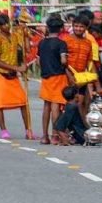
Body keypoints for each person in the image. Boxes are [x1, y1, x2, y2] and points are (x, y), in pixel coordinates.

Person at [0, 13, 32, 140]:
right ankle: (3, 130)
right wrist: (16, 68)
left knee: (23, 102)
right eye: (3, 25)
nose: (7, 26)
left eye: (7, 23)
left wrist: (25, 35)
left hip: (13, 75)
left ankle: (28, 130)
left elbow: (24, 51)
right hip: (0, 74)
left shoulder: (15, 36)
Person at [37, 16, 68, 145]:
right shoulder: (61, 44)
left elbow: (38, 61)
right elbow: (63, 61)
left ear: (48, 28)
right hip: (58, 77)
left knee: (46, 106)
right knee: (56, 106)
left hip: (46, 77)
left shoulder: (41, 43)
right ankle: (55, 135)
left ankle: (44, 136)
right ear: (61, 29)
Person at [64, 15, 102, 116]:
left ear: (86, 28)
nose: (78, 29)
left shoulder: (88, 43)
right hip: (67, 78)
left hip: (82, 79)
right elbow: (62, 62)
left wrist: (98, 85)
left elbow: (91, 64)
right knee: (69, 105)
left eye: (81, 26)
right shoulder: (65, 41)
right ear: (72, 26)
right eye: (76, 26)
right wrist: (70, 77)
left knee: (84, 103)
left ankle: (81, 125)